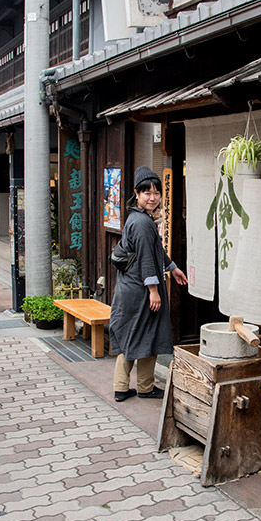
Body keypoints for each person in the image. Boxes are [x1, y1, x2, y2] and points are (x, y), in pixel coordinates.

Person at [109, 166, 187, 402]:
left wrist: (172, 268)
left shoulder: (138, 218)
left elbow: (154, 251)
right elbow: (145, 258)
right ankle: (143, 387)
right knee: (145, 335)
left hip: (130, 288)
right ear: (137, 193)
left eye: (156, 192)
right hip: (140, 290)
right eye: (147, 192)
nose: (153, 197)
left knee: (133, 336)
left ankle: (123, 388)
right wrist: (153, 291)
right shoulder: (143, 223)